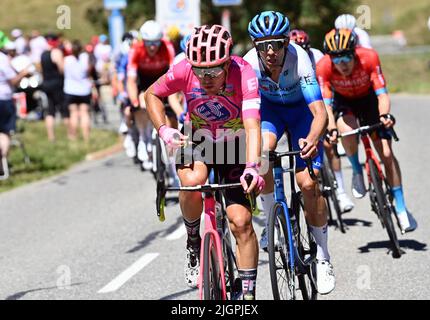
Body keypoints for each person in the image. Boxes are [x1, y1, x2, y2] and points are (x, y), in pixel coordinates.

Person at [145, 24, 265, 300]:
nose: (205, 78)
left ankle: (247, 295)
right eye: (199, 71)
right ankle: (192, 239)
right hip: (197, 138)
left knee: (241, 221)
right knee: (191, 183)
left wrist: (252, 167)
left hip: (235, 142)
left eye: (212, 71)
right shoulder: (184, 70)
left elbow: (252, 126)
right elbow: (151, 94)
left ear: (226, 63)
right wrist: (164, 129)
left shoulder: (244, 73)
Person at [244, 11, 335, 295]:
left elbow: (319, 113)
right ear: (255, 45)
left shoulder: (300, 59)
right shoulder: (249, 63)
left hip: (300, 115)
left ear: (286, 42)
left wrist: (310, 138)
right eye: (263, 45)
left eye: (276, 44)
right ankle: (273, 217)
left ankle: (322, 255)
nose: (270, 52)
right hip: (271, 113)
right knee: (262, 155)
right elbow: (248, 114)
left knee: (308, 183)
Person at [317, 28, 417, 233]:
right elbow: (326, 104)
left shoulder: (369, 58)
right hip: (344, 104)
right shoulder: (324, 66)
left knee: (387, 154)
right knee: (347, 130)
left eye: (346, 56)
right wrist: (332, 128)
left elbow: (382, 94)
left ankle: (400, 207)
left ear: (354, 52)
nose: (342, 63)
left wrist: (384, 116)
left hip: (370, 101)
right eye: (336, 59)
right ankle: (356, 171)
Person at [290, 29, 355, 213]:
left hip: (320, 97)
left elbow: (325, 84)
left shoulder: (317, 56)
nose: (302, 52)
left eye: (305, 48)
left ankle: (341, 191)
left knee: (328, 143)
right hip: (301, 101)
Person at [127, 20, 182, 172]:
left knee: (172, 116)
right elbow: (131, 80)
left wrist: (175, 99)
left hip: (163, 80)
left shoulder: (168, 47)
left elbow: (175, 75)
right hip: (142, 82)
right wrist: (133, 102)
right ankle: (143, 140)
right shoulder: (135, 50)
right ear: (142, 41)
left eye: (156, 43)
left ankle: (173, 158)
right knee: (138, 107)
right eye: (149, 43)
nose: (152, 47)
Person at [0, 36, 30, 179]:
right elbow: (13, 80)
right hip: (3, 99)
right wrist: (23, 74)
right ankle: (3, 167)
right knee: (4, 133)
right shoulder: (3, 59)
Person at [41, 33, 70, 142]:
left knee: (50, 111)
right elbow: (62, 69)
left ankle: (51, 136)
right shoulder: (56, 52)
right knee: (64, 110)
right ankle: (70, 134)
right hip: (57, 84)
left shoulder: (43, 54)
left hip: (47, 84)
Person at [63, 40, 93, 143]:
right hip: (84, 89)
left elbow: (62, 71)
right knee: (84, 114)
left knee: (73, 114)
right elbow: (89, 71)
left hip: (70, 89)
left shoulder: (66, 59)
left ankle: (73, 138)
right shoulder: (85, 57)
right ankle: (86, 138)